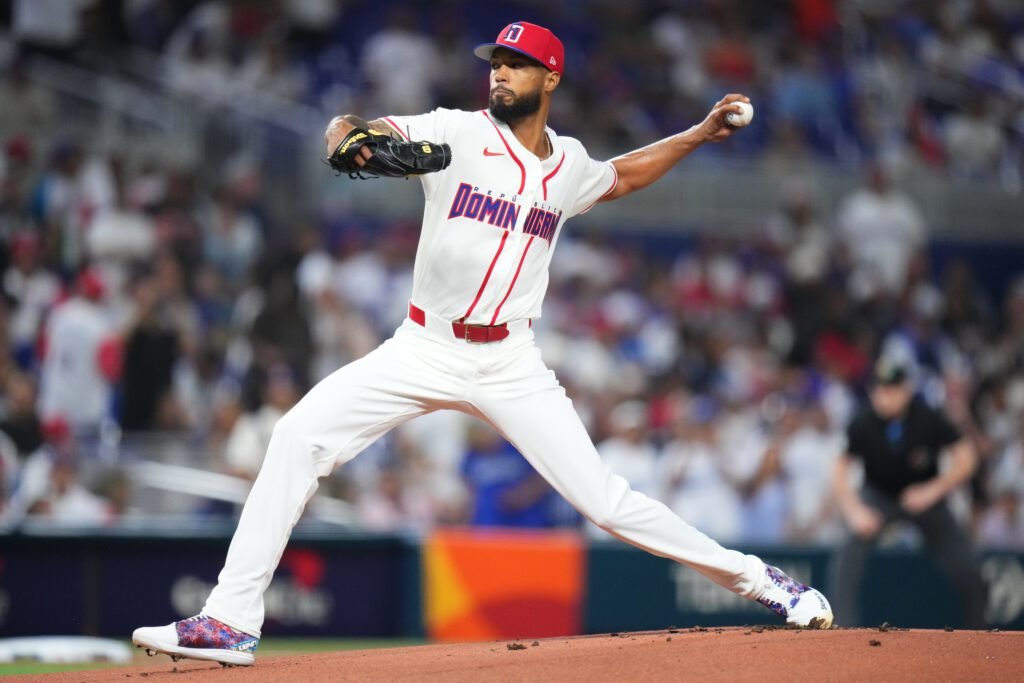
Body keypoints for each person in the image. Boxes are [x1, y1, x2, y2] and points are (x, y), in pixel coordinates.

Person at [133, 22, 832, 667]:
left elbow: (620, 176)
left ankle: (760, 580)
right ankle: (229, 619)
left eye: (517, 64)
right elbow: (351, 129)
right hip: (422, 344)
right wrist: (351, 138)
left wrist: (697, 134)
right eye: (496, 62)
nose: (500, 73)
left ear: (550, 79)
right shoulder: (456, 134)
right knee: (295, 436)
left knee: (606, 501)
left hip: (509, 361)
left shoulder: (568, 166)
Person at [832, 358, 986, 627]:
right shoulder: (864, 421)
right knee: (847, 558)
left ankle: (978, 629)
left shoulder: (928, 418)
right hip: (879, 495)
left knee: (965, 564)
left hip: (925, 496)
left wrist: (933, 490)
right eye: (878, 389)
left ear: (906, 390)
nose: (883, 396)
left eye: (891, 389)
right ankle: (843, 628)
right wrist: (854, 510)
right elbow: (840, 468)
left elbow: (967, 458)